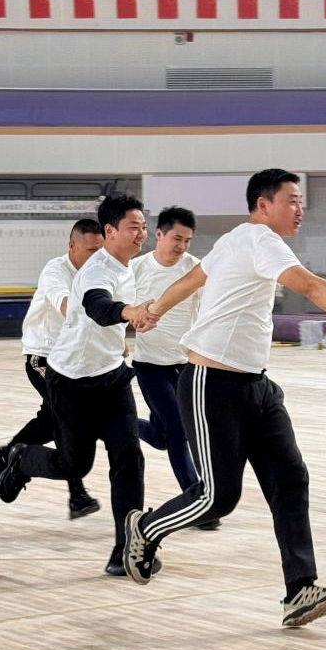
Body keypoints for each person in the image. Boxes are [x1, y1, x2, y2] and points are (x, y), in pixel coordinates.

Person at [121, 168, 326, 627]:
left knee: (291, 479)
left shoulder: (236, 239)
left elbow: (192, 280)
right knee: (218, 498)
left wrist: (154, 309)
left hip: (256, 386)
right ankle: (145, 528)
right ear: (263, 205)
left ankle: (300, 590)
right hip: (211, 383)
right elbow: (311, 285)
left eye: (301, 201)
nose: (301, 209)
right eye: (292, 200)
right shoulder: (260, 239)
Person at [0, 194, 160, 576]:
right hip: (70, 382)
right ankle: (22, 458)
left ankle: (126, 550)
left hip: (112, 378)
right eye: (133, 228)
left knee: (129, 458)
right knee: (74, 465)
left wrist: (134, 322)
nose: (142, 234)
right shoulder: (95, 271)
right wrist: (129, 312)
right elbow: (98, 306)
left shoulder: (128, 266)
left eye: (144, 227)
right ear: (110, 231)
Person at [0, 219, 103, 520]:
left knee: (53, 417)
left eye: (100, 250)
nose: (96, 257)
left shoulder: (99, 272)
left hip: (73, 360)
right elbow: (63, 303)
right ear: (72, 246)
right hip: (44, 357)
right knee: (65, 415)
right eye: (91, 250)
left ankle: (6, 454)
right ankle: (76, 494)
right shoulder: (56, 270)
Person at [131, 206, 219, 531]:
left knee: (162, 436)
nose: (182, 246)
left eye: (187, 240)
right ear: (159, 234)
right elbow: (121, 309)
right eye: (177, 238)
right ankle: (197, 504)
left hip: (184, 366)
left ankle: (114, 422)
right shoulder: (136, 268)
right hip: (149, 365)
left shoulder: (196, 270)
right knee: (179, 432)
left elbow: (208, 313)